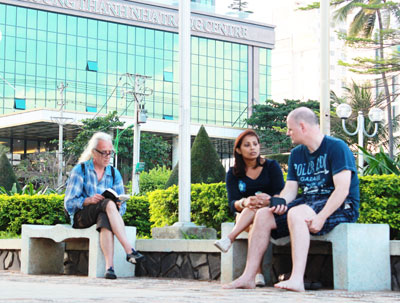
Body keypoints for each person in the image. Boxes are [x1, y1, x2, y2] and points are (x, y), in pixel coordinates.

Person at [224, 107, 359, 291]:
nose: (288, 133)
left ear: (302, 126)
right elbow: (290, 190)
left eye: (290, 128)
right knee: (263, 215)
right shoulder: (296, 154)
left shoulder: (337, 147)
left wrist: (322, 217)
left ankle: (297, 279)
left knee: (296, 213)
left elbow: (342, 190)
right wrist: (278, 202)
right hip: (308, 201)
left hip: (341, 205)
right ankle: (249, 276)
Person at [64, 132, 144, 280]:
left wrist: (118, 205)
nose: (107, 156)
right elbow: (69, 203)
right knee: (107, 203)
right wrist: (88, 200)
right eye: (104, 153)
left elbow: (122, 206)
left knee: (105, 214)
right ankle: (129, 249)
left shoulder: (114, 173)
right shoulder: (80, 170)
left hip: (103, 215)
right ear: (94, 152)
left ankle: (109, 268)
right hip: (81, 216)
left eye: (110, 153)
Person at [214, 129, 284, 287]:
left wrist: (267, 199)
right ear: (238, 150)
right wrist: (245, 202)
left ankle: (229, 239)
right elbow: (232, 203)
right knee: (251, 213)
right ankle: (257, 273)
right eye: (247, 145)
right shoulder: (233, 173)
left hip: (269, 212)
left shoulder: (271, 166)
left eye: (255, 144)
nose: (252, 148)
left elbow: (281, 192)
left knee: (256, 216)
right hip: (245, 214)